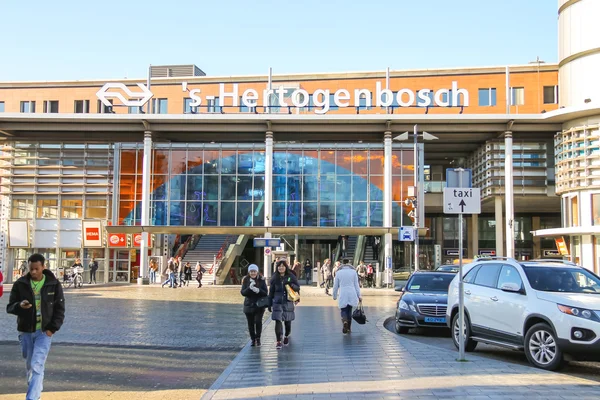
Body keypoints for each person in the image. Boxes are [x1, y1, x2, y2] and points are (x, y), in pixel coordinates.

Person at [6, 253, 65, 400]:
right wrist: (19, 306)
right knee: (30, 366)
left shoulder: (53, 284)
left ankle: (32, 398)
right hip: (25, 331)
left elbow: (60, 308)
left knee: (37, 364)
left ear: (43, 267)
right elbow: (10, 307)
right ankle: (35, 393)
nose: (33, 272)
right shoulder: (20, 284)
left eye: (36, 269)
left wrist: (52, 329)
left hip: (44, 332)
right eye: (31, 269)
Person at [269, 259, 300, 350]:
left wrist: (291, 285)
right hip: (277, 302)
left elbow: (297, 287)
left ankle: (286, 335)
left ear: (286, 267)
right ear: (277, 267)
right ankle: (278, 340)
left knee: (287, 321)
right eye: (279, 266)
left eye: (283, 266)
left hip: (288, 302)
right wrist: (269, 303)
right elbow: (271, 291)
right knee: (278, 321)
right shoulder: (274, 277)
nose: (281, 268)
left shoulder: (291, 276)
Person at [240, 264, 268, 347]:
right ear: (249, 272)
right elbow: (243, 292)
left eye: (254, 271)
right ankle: (253, 339)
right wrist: (249, 288)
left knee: (258, 322)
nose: (253, 273)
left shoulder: (262, 280)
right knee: (250, 323)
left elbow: (265, 292)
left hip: (259, 305)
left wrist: (258, 290)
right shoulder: (245, 280)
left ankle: (258, 338)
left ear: (257, 272)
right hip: (248, 305)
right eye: (251, 271)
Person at [332, 258, 362, 334]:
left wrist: (334, 295)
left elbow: (335, 286)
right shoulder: (353, 272)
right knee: (349, 309)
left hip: (343, 292)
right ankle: (348, 328)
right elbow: (356, 285)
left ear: (342, 263)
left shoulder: (338, 273)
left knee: (343, 309)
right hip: (352, 293)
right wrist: (359, 296)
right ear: (349, 263)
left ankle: (344, 321)